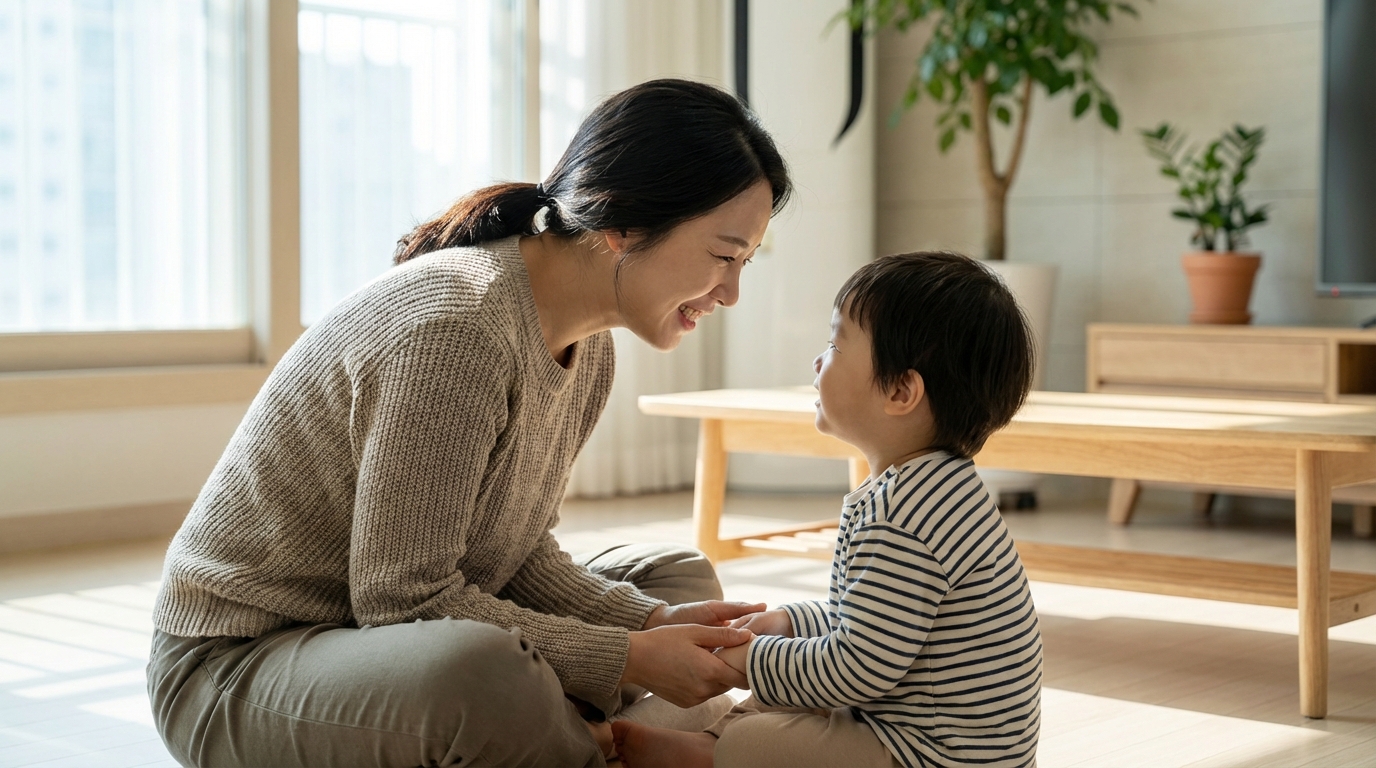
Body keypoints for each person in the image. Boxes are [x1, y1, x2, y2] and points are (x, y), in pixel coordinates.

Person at [146, 79, 792, 768]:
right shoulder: (459, 325)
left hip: (387, 643)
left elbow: (519, 552)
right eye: (724, 257)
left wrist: (651, 624)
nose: (730, 293)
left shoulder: (589, 344)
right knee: (481, 669)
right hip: (241, 667)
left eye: (744, 263)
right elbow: (402, 602)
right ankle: (603, 742)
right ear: (623, 222)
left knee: (678, 582)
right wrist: (627, 654)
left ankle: (568, 741)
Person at [613, 252, 1043, 768]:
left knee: (768, 734)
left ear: (901, 390)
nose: (819, 361)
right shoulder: (935, 488)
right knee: (790, 687)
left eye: (837, 344)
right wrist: (788, 624)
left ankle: (711, 755)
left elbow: (857, 666)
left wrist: (745, 659)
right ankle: (710, 747)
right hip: (913, 729)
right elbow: (867, 624)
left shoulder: (904, 517)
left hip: (935, 756)